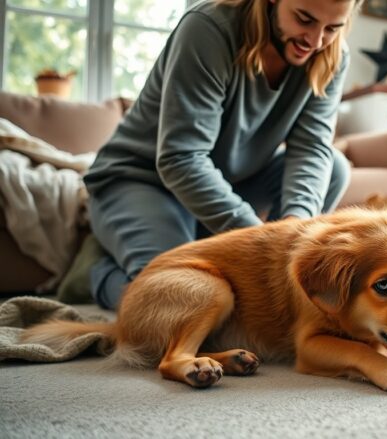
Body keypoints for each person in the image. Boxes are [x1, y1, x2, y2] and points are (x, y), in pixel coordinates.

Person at [83, 0, 362, 310]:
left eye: (333, 28)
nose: (315, 41)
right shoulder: (207, 28)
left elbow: (311, 148)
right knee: (176, 300)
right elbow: (181, 159)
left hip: (224, 184)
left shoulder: (333, 55)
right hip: (140, 179)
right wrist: (263, 243)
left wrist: (295, 233)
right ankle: (98, 274)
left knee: (334, 167)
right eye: (304, 19)